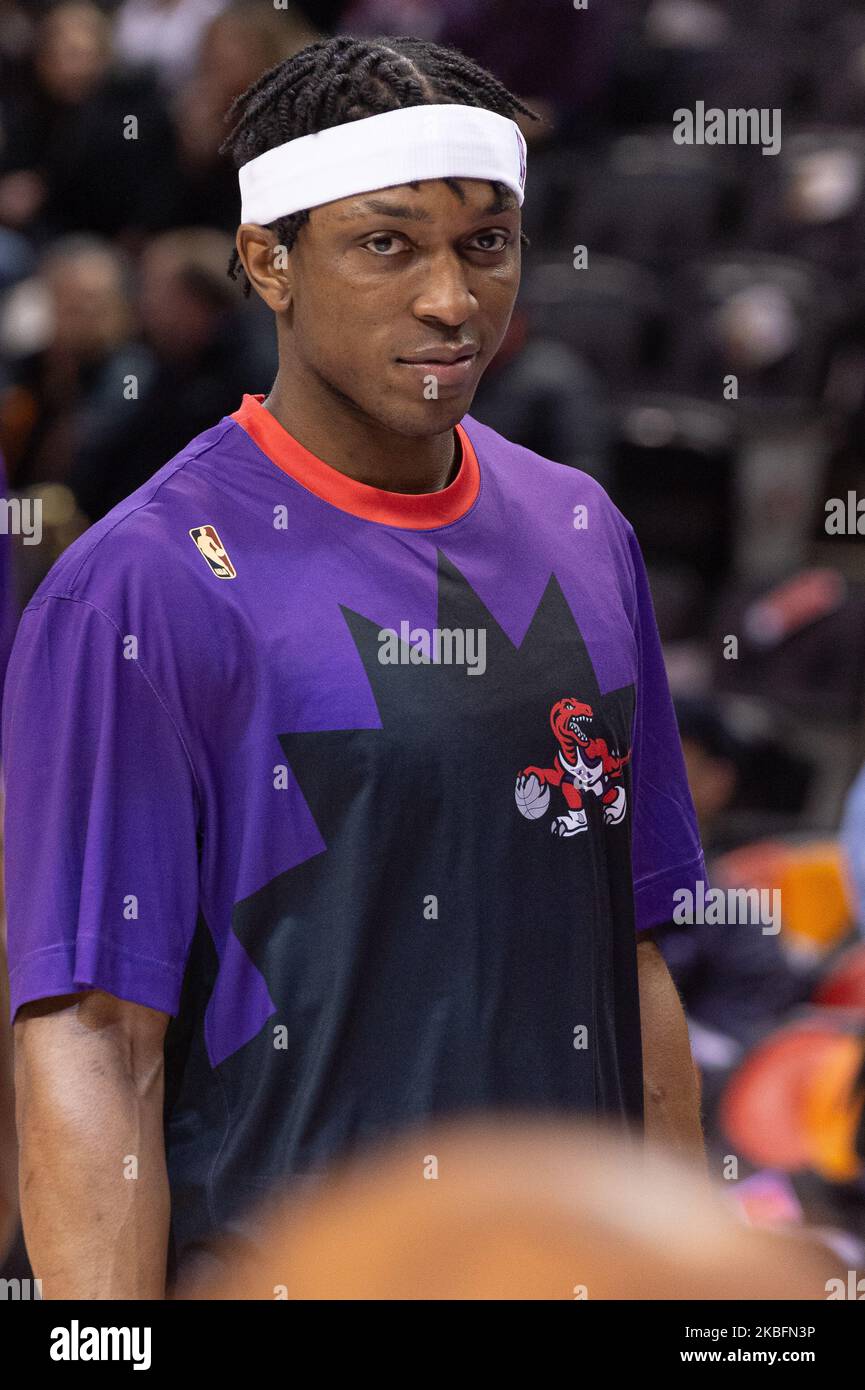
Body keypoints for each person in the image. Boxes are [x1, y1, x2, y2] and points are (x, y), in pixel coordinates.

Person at [3, 33, 707, 1299]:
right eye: (388, 244)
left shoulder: (587, 532)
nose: (450, 299)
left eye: (485, 243)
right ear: (269, 261)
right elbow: (95, 1039)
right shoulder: (142, 584)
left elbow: (638, 957)